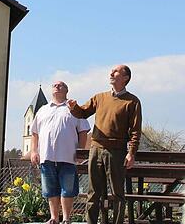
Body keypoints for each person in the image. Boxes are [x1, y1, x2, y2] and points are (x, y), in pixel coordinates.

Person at [68, 65, 142, 224]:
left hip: (117, 151)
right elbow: (83, 112)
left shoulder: (132, 101)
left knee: (117, 194)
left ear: (125, 78)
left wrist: (131, 153)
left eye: (116, 72)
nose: (111, 73)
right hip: (95, 149)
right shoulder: (99, 97)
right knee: (93, 193)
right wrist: (74, 107)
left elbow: (135, 131)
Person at [30, 81, 90, 224]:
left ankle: (66, 218)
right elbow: (34, 133)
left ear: (67, 90)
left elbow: (83, 132)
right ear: (51, 90)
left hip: (69, 157)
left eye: (61, 85)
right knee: (51, 189)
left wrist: (81, 153)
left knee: (68, 189)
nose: (57, 86)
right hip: (47, 156)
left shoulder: (74, 109)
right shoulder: (43, 110)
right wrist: (33, 151)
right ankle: (54, 217)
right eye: (54, 85)